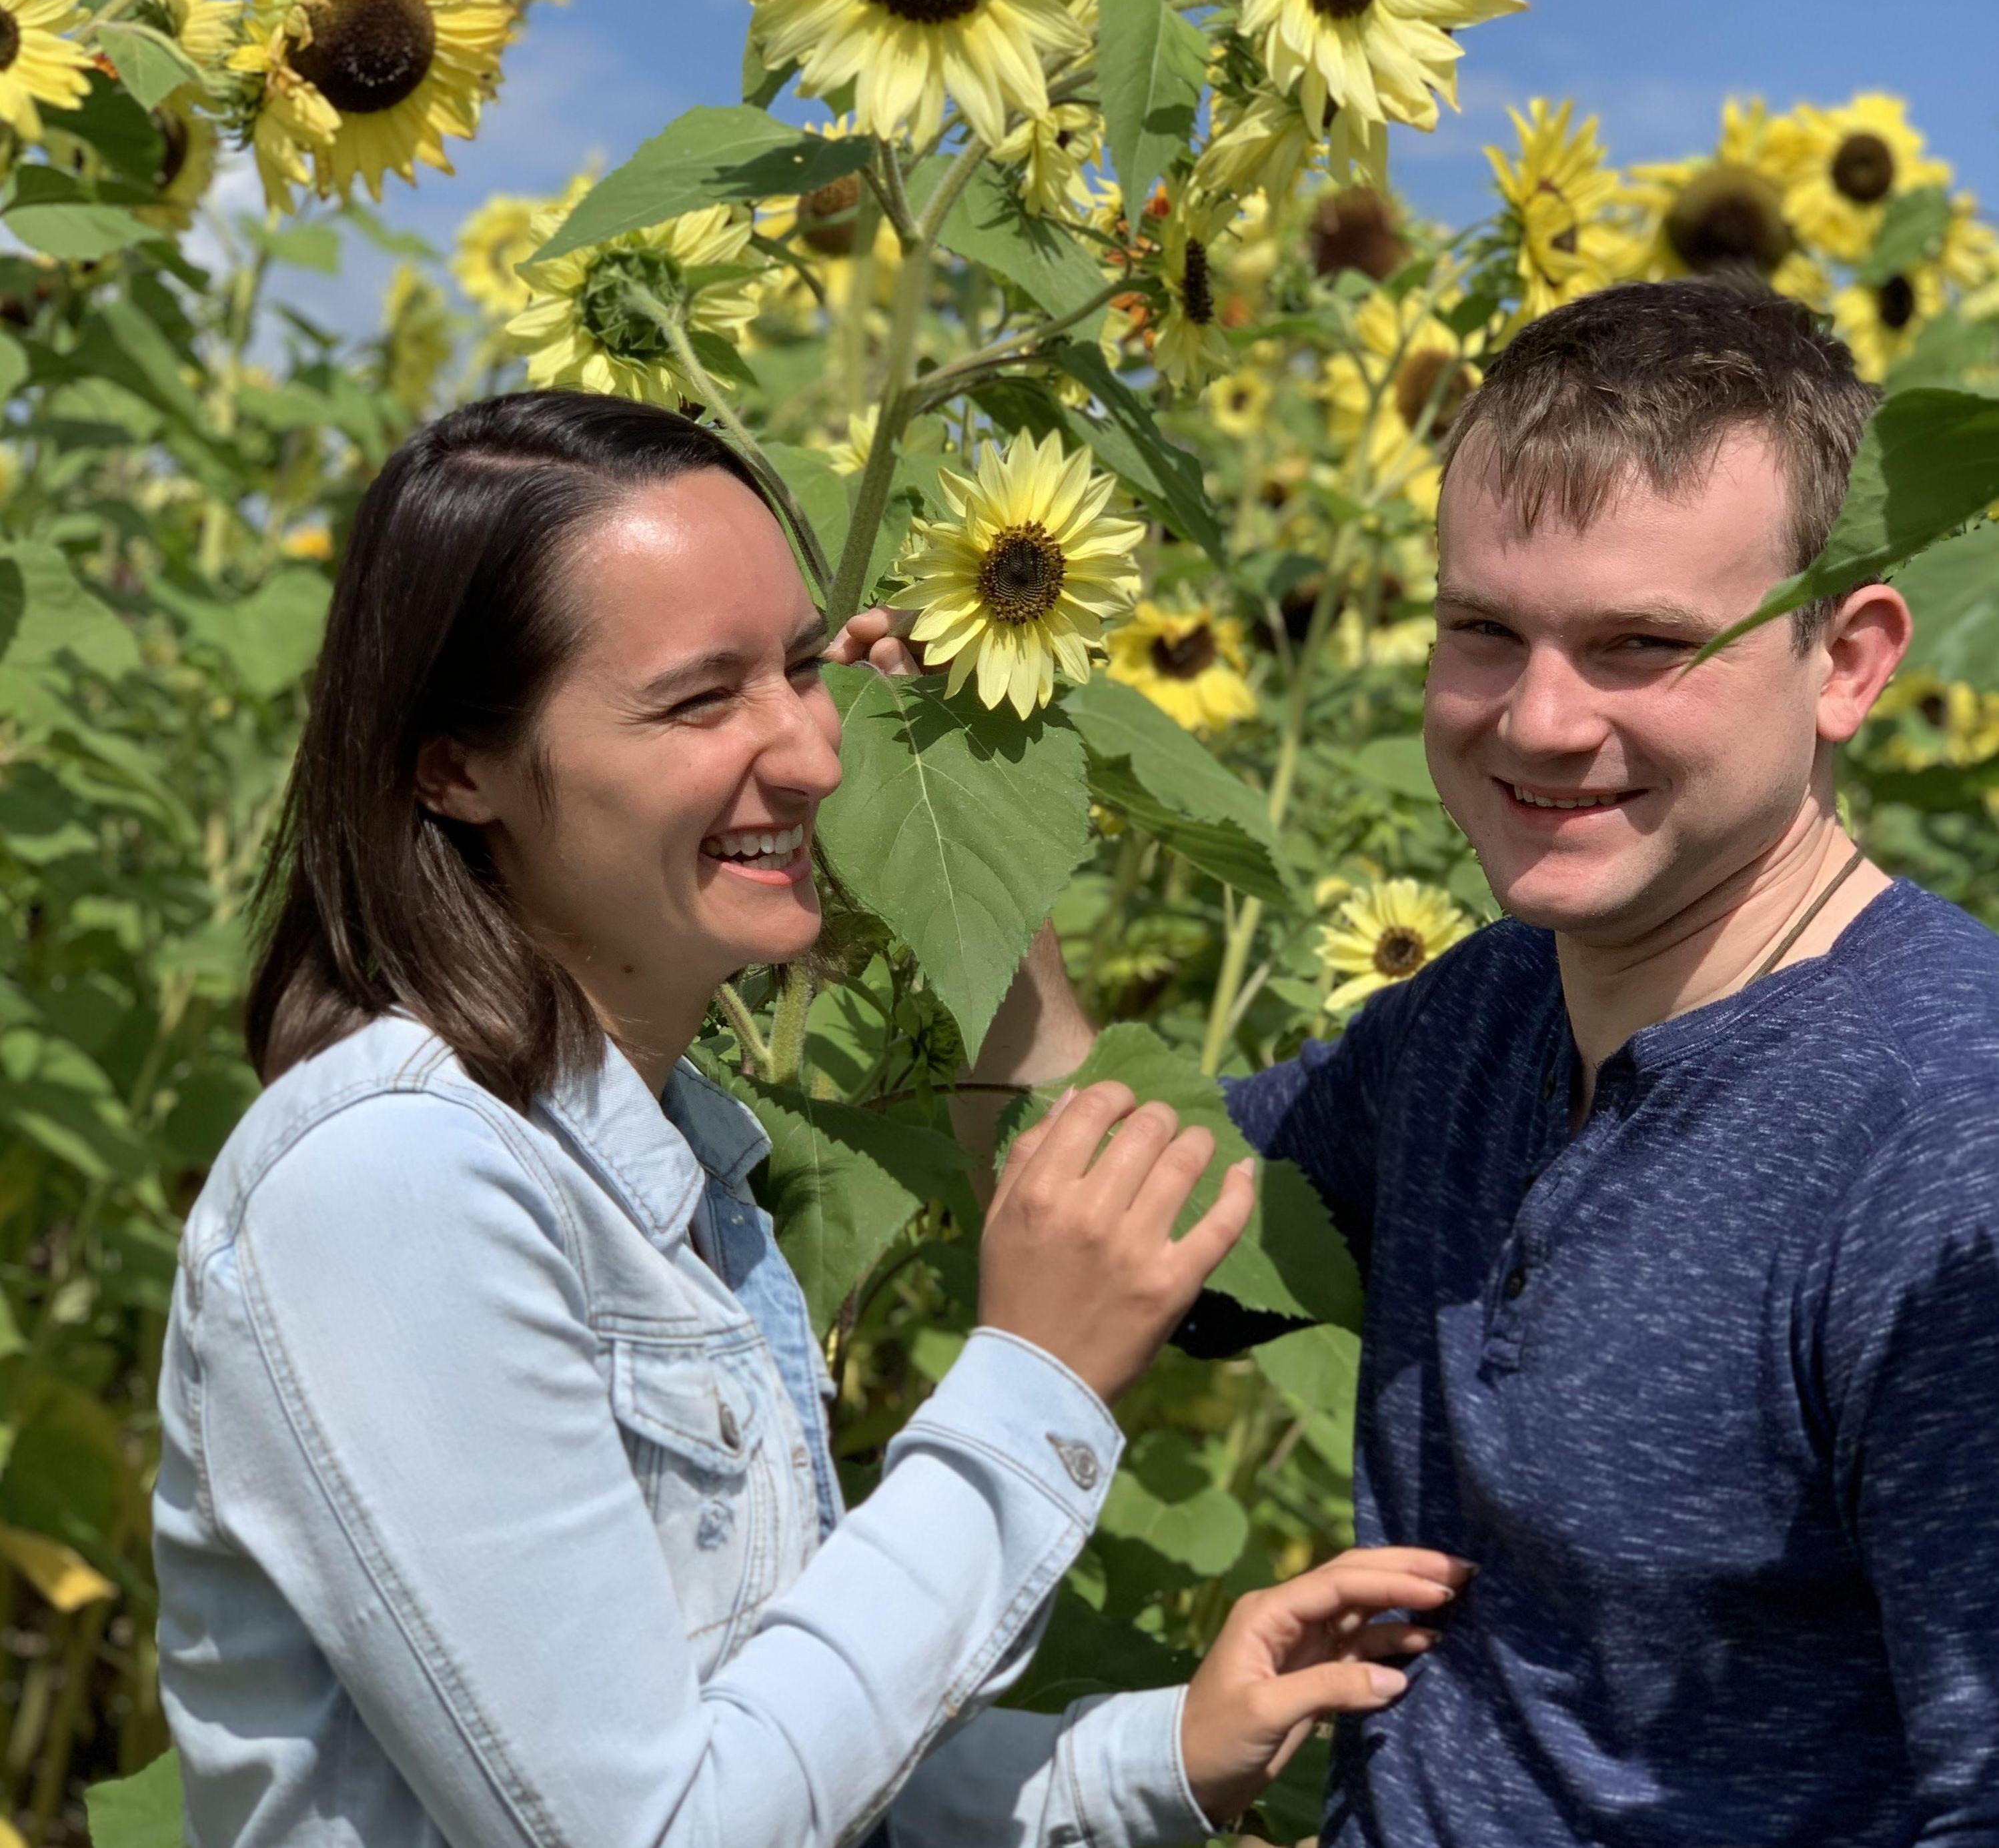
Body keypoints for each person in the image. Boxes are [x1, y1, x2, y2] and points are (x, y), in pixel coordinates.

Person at [151, 390, 1472, 1848]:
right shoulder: (393, 1182)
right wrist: (1031, 1379)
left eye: (796, 665)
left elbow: (762, 1754)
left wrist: (1155, 1754)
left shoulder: (669, 1166)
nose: (817, 753)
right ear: (451, 765)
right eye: (699, 698)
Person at [844, 278, 1999, 1845]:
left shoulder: (1944, 1142)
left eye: (1639, 644)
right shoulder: (1484, 1011)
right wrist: (955, 839)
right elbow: (1149, 1241)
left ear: (1848, 661)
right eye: (1482, 630)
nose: (1536, 718)